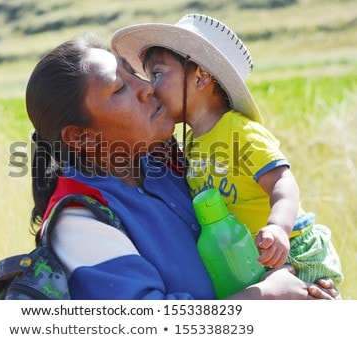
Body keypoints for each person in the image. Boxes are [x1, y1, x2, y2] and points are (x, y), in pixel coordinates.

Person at [25, 32, 339, 299]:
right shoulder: (79, 220)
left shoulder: (174, 165)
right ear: (81, 137)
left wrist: (305, 285)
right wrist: (268, 296)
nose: (146, 87)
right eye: (119, 88)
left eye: (133, 74)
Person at [111, 14, 343, 286]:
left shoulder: (239, 132)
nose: (150, 87)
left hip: (289, 249)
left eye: (158, 74)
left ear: (201, 77)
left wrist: (278, 227)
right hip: (249, 258)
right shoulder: (194, 142)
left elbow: (282, 181)